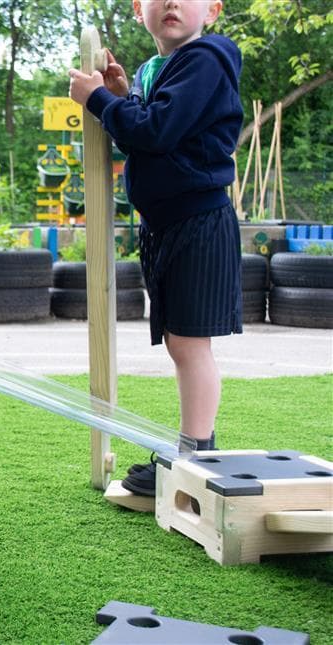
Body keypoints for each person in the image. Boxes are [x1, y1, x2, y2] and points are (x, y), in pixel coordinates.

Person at [68, 0, 242, 496]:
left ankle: (195, 453)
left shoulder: (208, 57)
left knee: (189, 342)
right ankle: (192, 450)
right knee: (178, 342)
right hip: (166, 222)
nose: (171, 2)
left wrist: (99, 99)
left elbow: (157, 130)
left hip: (198, 217)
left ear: (211, 11)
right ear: (137, 9)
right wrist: (123, 94)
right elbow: (143, 133)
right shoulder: (153, 69)